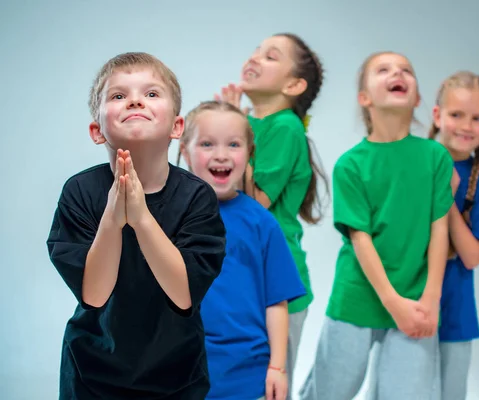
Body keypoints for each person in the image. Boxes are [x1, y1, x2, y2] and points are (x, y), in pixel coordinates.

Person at [46, 52, 226, 399]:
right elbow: (94, 295)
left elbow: (183, 294)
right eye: (118, 95)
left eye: (152, 94)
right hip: (91, 373)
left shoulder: (196, 197)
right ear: (97, 131)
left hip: (176, 375)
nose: (135, 100)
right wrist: (113, 219)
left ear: (177, 126)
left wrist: (141, 217)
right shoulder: (80, 192)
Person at [299, 51, 454, 400]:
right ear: (364, 98)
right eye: (383, 70)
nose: (397, 72)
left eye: (406, 70)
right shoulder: (351, 165)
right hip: (358, 296)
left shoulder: (435, 157)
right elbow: (360, 238)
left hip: (417, 299)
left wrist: (430, 299)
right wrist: (392, 302)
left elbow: (439, 230)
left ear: (416, 96)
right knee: (331, 392)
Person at [214, 32, 329, 397]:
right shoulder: (254, 124)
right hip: (246, 280)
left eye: (271, 56)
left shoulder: (284, 127)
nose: (255, 58)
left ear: (294, 84)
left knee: (271, 386)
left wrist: (232, 126)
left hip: (277, 287)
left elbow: (253, 203)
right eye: (256, 50)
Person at [177, 100, 306, 400]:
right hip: (179, 373)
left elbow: (276, 302)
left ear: (249, 154)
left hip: (248, 377)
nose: (221, 155)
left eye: (233, 144)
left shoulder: (262, 222)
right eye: (207, 144)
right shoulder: (167, 216)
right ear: (185, 150)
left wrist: (278, 367)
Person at [429, 71, 479, 400]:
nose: (465, 126)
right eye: (456, 114)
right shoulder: (409, 164)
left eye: (477, 118)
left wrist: (447, 198)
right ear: (437, 115)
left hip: (454, 315)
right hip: (403, 307)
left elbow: (472, 256)